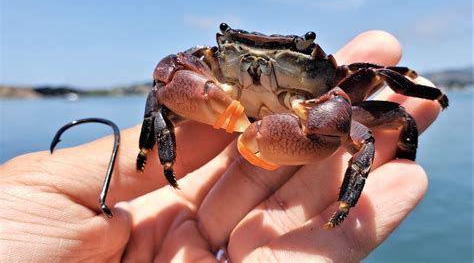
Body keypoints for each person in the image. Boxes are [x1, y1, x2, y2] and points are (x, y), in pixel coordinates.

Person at [0, 30, 443, 262]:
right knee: (162, 93)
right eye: (239, 52)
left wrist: (428, 100)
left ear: (312, 59)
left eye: (284, 59)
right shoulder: (210, 65)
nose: (257, 68)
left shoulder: (336, 87)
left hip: (310, 109)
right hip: (220, 103)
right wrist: (151, 150)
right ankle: (154, 153)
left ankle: (361, 193)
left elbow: (370, 111)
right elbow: (165, 81)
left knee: (393, 120)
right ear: (222, 46)